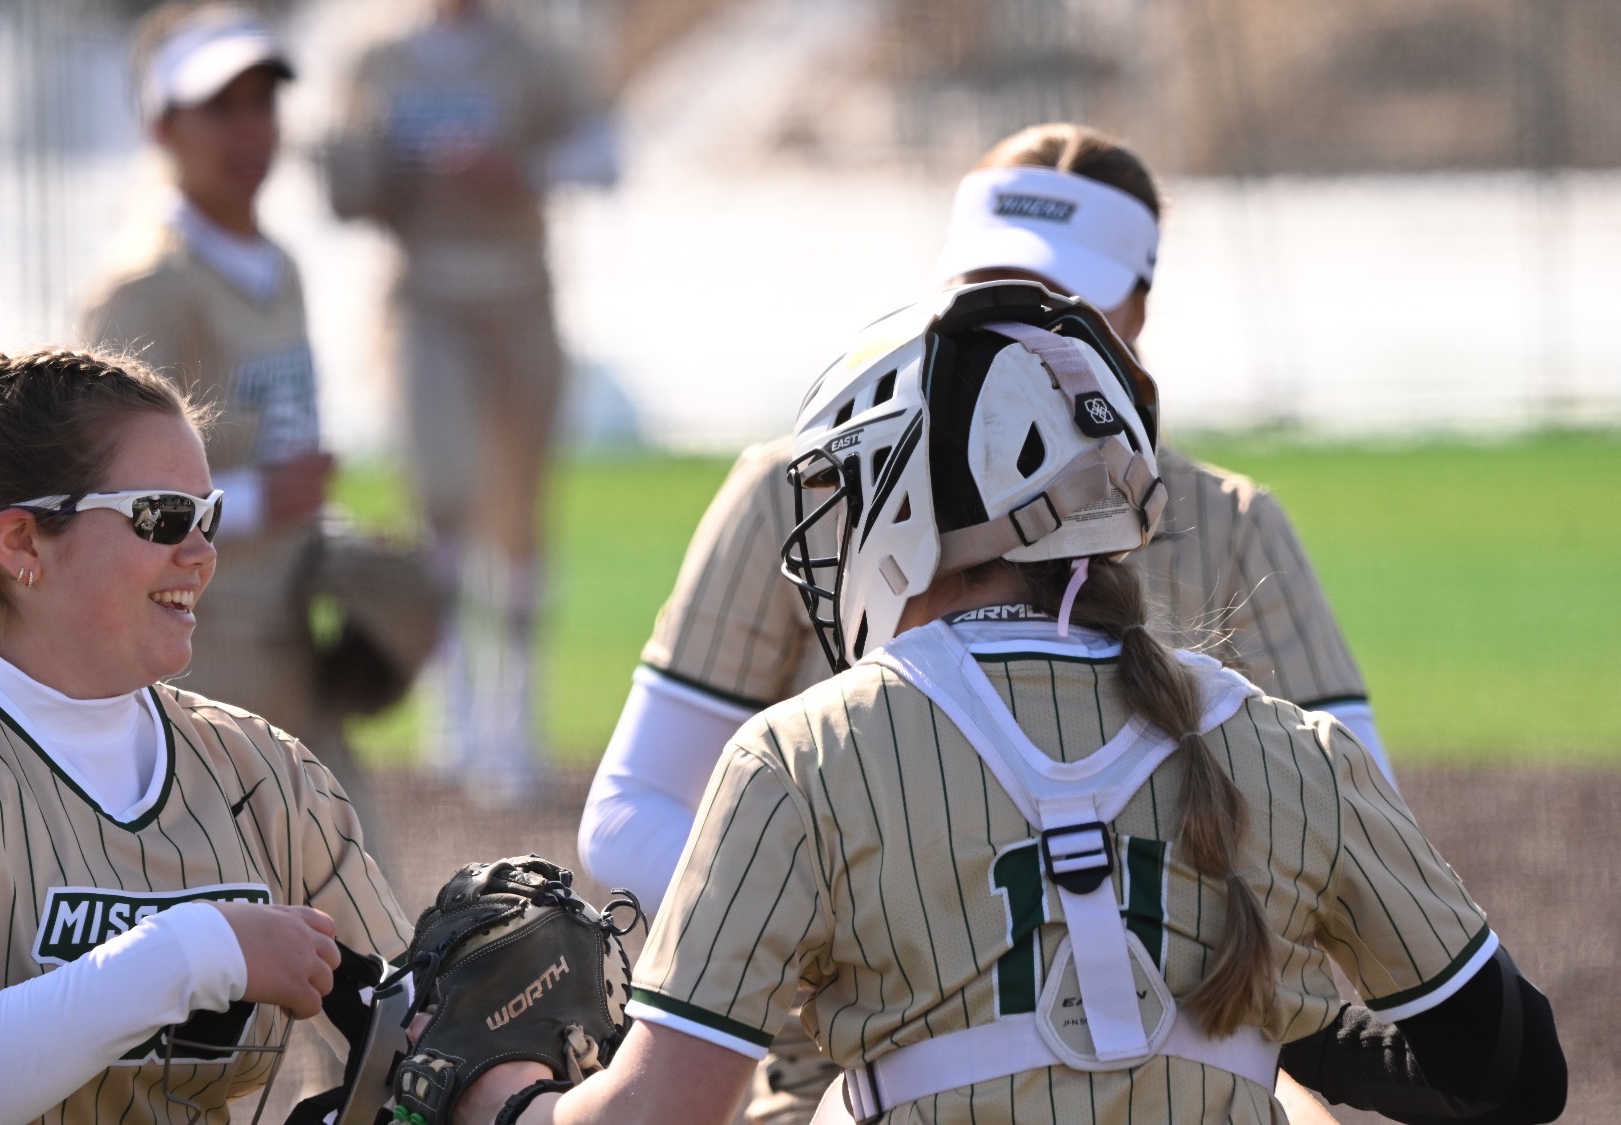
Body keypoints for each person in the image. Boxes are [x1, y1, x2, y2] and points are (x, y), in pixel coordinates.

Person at [454, 282, 1566, 1125]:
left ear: (919, 490)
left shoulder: (801, 756)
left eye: (850, 489)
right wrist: (1278, 1023)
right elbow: (1516, 1073)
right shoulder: (1288, 750)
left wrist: (500, 1101)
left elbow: (660, 1116)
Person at [579, 123, 1388, 1125]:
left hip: (1176, 1055)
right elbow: (626, 810)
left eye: (1065, 295)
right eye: (988, 291)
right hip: (848, 1058)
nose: (1027, 328)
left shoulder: (1227, 523)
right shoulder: (803, 487)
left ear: (1138, 306)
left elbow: (1354, 818)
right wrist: (854, 932)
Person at [0, 349, 412, 1124]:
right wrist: (190, 952)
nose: (204, 552)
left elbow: (418, 1035)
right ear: (21, 544)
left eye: (206, 515)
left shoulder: (266, 771)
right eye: (164, 516)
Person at [80, 1, 443, 819]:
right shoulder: (145, 287)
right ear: (161, 127)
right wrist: (257, 502)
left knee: (356, 908)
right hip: (194, 652)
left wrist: (339, 540)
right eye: (219, 108)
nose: (249, 129)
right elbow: (95, 498)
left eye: (261, 102)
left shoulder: (279, 263)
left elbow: (273, 452)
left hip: (289, 632)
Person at [322, 0, 619, 800]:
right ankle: (452, 716)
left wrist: (516, 170)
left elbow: (604, 155)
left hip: (518, 294)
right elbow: (342, 182)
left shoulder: (532, 56)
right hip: (425, 297)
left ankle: (512, 720)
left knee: (519, 513)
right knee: (441, 502)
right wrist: (375, 167)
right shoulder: (379, 59)